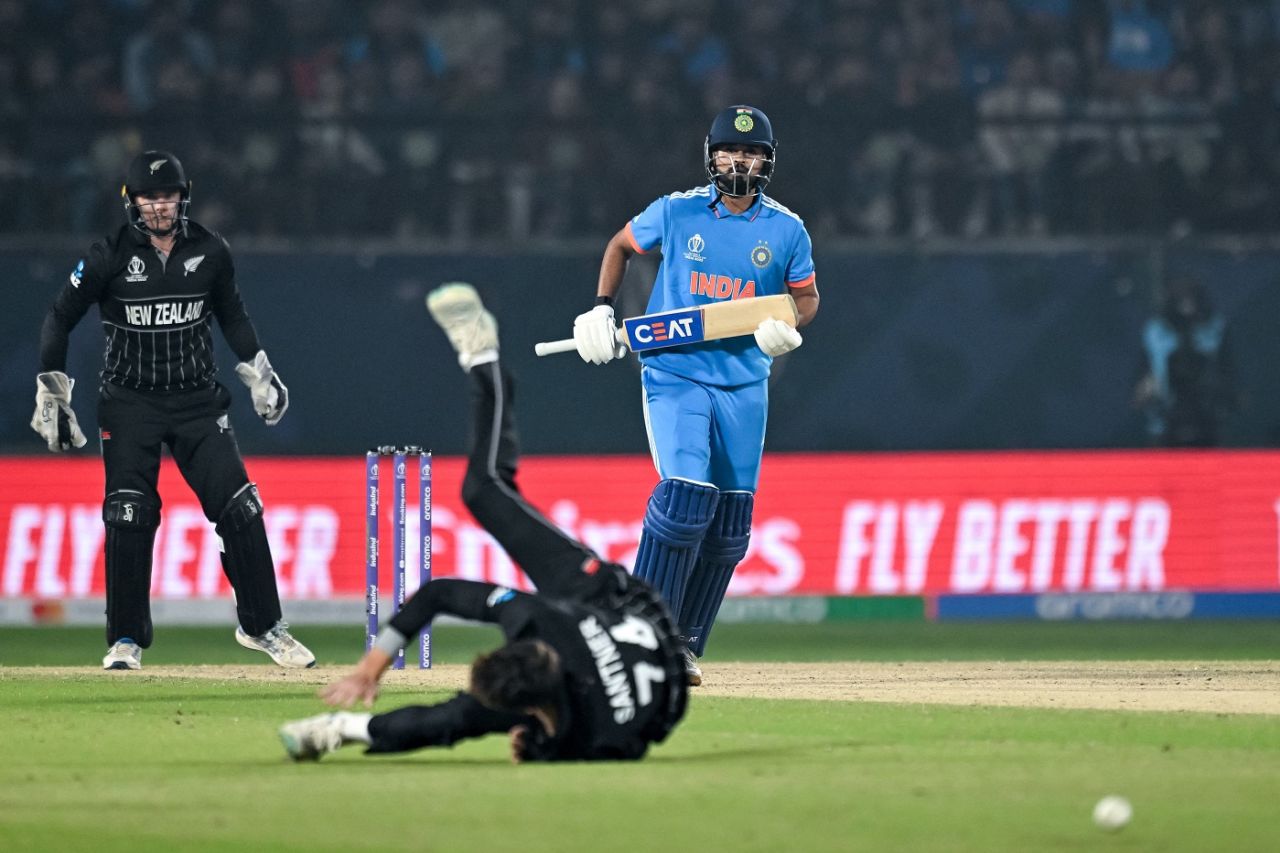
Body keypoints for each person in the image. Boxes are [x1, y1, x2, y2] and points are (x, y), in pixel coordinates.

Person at [279, 283, 687, 763]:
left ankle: (486, 361)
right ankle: (487, 367)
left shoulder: (565, 676)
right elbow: (441, 598)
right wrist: (372, 667)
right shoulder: (544, 630)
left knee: (463, 716)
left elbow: (441, 610)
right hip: (616, 604)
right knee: (482, 492)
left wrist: (538, 744)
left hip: (639, 666)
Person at [31, 149, 314, 671]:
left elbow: (232, 315)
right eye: (148, 198)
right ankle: (126, 641)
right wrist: (53, 390)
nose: (159, 207)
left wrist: (258, 371)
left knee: (242, 508)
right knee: (129, 514)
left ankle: (263, 627)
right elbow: (58, 317)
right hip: (129, 404)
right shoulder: (107, 256)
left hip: (197, 404)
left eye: (167, 196)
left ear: (183, 197)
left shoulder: (211, 251)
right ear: (131, 202)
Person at [570, 105, 819, 685]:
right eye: (731, 150)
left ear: (768, 160)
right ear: (711, 155)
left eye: (753, 151)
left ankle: (678, 646)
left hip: (745, 381)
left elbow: (806, 299)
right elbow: (619, 247)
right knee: (684, 499)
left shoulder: (786, 229)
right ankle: (639, 631)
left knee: (731, 523)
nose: (741, 160)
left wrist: (789, 329)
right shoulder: (677, 211)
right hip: (675, 371)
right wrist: (602, 309)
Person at [1134, 277, 1240, 447]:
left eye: (1190, 297)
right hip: (1165, 416)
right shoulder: (1155, 331)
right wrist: (1146, 389)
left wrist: (1226, 396)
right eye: (1181, 299)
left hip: (1207, 415)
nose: (1186, 304)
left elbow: (1227, 367)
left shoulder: (1215, 329)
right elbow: (1145, 371)